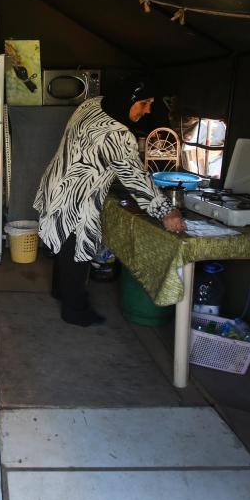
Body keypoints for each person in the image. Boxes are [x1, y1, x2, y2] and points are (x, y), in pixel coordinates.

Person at [33, 74, 186, 326]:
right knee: (76, 251)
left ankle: (60, 292)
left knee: (62, 242)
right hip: (77, 196)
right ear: (129, 100)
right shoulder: (117, 135)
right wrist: (166, 211)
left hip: (56, 182)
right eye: (144, 103)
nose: (147, 110)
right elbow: (135, 177)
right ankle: (75, 311)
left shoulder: (92, 104)